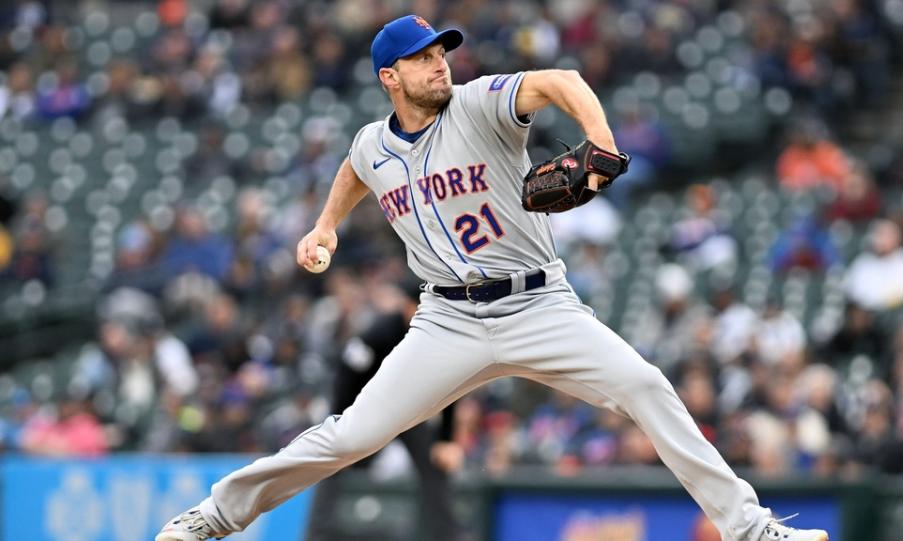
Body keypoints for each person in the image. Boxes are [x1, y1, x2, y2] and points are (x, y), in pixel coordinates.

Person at [156, 15, 829, 541]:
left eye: (441, 51)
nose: (439, 63)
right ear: (390, 77)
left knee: (645, 386)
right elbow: (357, 167)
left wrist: (599, 137)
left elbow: (562, 79)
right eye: (423, 58)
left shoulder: (478, 105)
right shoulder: (372, 142)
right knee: (352, 435)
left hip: (539, 302)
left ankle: (750, 526)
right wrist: (326, 225)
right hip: (447, 320)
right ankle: (211, 518)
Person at [303, 279, 463, 541]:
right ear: (407, 306)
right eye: (421, 306)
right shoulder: (380, 332)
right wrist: (339, 422)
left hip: (409, 413)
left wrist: (446, 439)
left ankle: (449, 536)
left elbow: (453, 383)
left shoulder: (439, 335)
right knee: (332, 462)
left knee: (435, 465)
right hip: (368, 410)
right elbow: (346, 377)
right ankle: (316, 535)